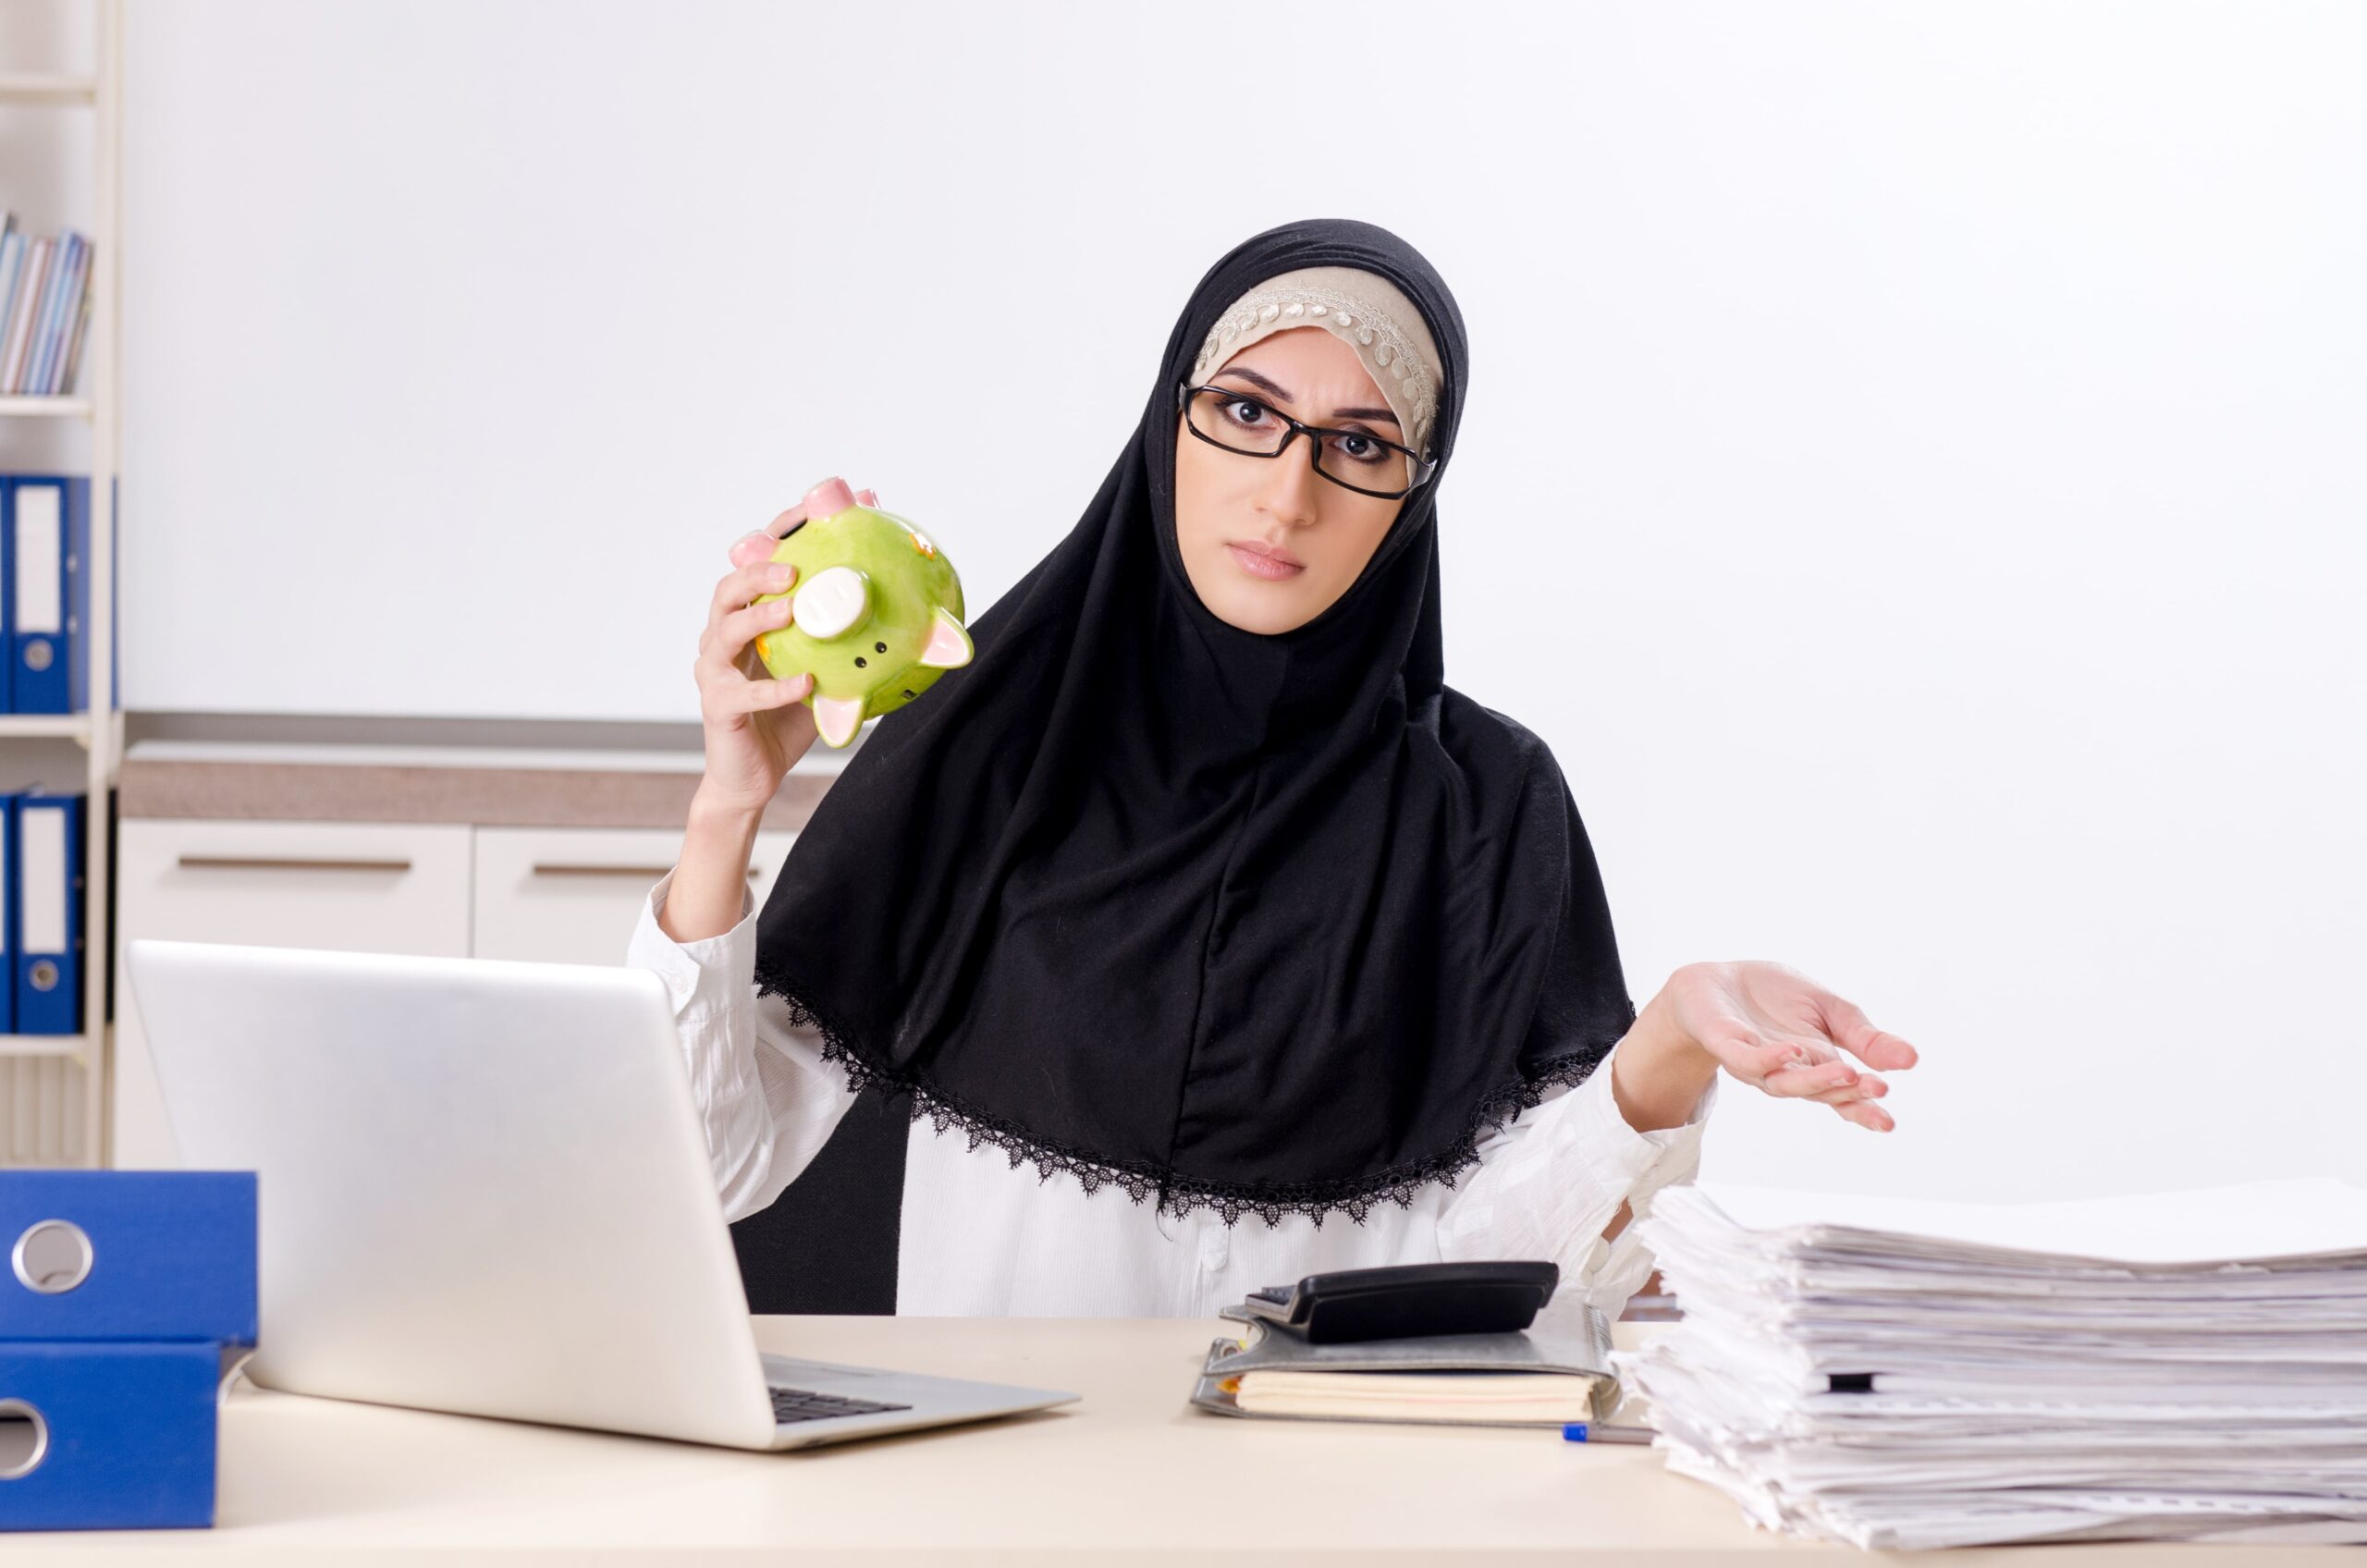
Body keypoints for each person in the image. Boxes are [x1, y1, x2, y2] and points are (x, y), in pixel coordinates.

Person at [627, 217, 1918, 1322]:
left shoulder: (1488, 807)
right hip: (1000, 1497)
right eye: (1246, 412)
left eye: (1360, 445)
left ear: (1410, 497)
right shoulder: (989, 746)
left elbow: (1509, 1281)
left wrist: (1668, 1047)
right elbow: (701, 1173)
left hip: (1331, 1503)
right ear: (1168, 426)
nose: (1289, 495)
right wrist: (728, 810)